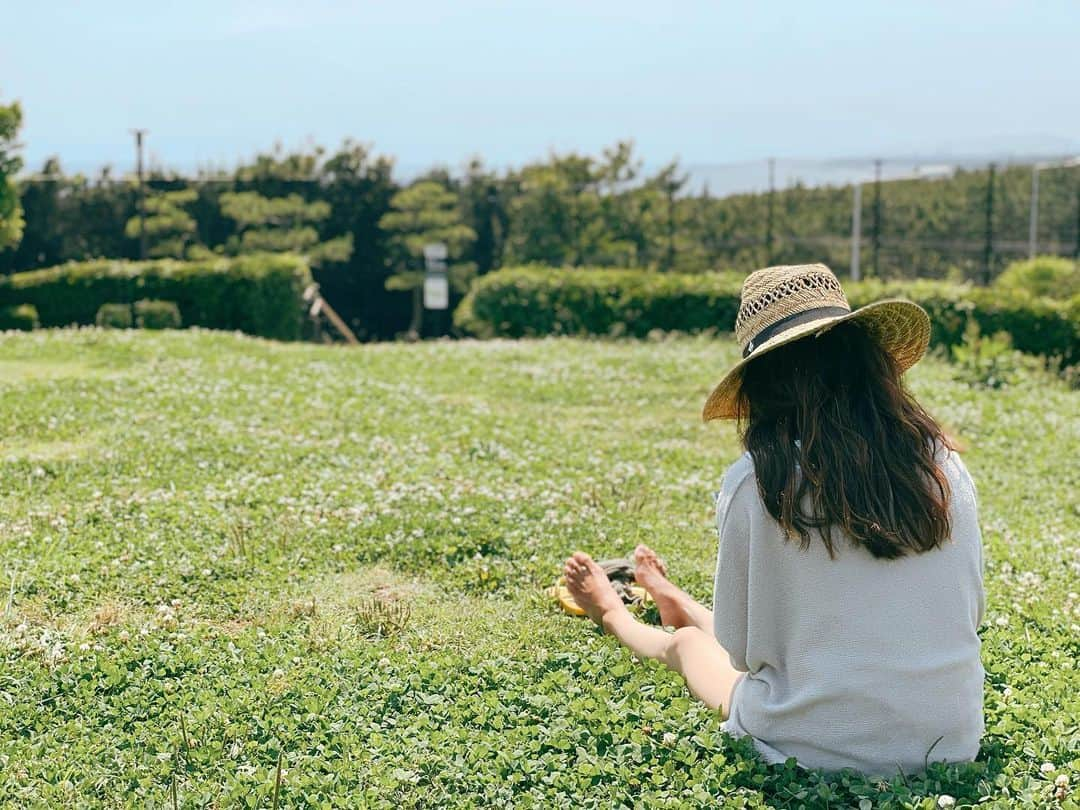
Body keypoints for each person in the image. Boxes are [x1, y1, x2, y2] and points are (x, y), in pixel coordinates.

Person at [563, 263, 984, 776]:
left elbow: (739, 651)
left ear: (761, 386)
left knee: (691, 645)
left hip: (810, 747)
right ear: (871, 363)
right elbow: (971, 613)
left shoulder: (759, 483)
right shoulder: (944, 466)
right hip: (950, 742)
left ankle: (613, 610)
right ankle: (676, 601)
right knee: (800, 630)